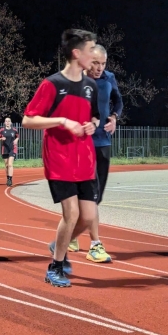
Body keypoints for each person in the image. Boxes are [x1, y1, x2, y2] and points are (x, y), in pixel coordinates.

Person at [22, 28, 99, 287]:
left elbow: (94, 116)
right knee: (72, 213)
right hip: (60, 160)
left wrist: (92, 125)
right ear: (77, 54)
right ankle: (55, 266)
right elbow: (28, 120)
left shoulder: (91, 86)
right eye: (90, 50)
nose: (94, 55)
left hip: (85, 160)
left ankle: (59, 244)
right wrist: (62, 121)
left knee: (87, 217)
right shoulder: (52, 84)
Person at [68, 44, 123, 263]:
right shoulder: (76, 80)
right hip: (83, 143)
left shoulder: (109, 78)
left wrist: (114, 118)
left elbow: (118, 101)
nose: (99, 68)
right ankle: (95, 244)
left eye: (103, 64)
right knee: (91, 195)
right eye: (95, 63)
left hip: (103, 142)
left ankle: (69, 236)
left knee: (96, 197)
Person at [0, 117, 19, 186]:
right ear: (4, 123)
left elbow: (17, 136)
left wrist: (16, 140)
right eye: (6, 121)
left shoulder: (14, 130)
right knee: (6, 165)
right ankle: (7, 178)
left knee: (10, 164)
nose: (7, 122)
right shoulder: (1, 130)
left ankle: (10, 179)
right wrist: (1, 138)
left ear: (11, 122)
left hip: (12, 149)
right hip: (5, 149)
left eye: (9, 121)